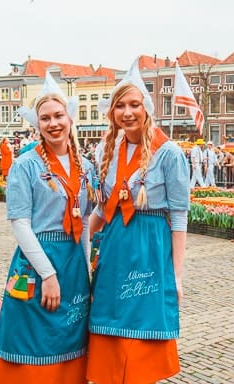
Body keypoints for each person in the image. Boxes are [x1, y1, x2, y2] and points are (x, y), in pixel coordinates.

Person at [0, 74, 93, 384]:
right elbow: (20, 224)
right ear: (37, 124)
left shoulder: (85, 167)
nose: (53, 123)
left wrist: (84, 269)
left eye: (58, 115)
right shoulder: (25, 165)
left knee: (70, 340)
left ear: (69, 118)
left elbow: (84, 221)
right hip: (38, 263)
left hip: (72, 263)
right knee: (32, 339)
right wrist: (47, 274)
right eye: (45, 118)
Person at [87, 60, 190, 384]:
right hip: (115, 246)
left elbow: (179, 215)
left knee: (142, 332)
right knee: (109, 323)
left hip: (150, 246)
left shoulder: (169, 153)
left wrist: (176, 274)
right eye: (120, 106)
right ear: (112, 112)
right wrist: (77, 247)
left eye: (134, 105)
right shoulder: (106, 148)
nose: (127, 112)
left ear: (146, 109)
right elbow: (101, 211)